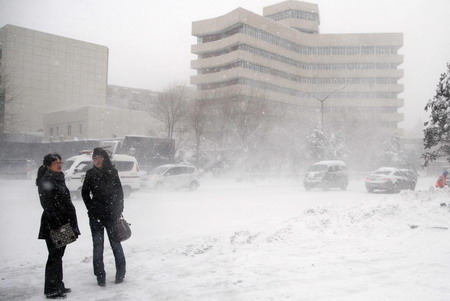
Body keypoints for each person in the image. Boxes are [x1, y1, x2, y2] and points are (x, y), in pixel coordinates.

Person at [36, 153, 80, 299]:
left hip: (62, 221)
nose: (60, 164)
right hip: (53, 224)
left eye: (60, 162)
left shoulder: (58, 178)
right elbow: (47, 205)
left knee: (58, 255)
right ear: (49, 166)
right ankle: (51, 289)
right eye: (56, 163)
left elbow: (66, 201)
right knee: (54, 256)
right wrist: (58, 224)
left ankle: (58, 285)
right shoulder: (46, 180)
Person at [81, 147, 126, 286]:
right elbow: (84, 193)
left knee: (116, 244)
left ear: (105, 159)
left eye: (100, 157)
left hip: (112, 215)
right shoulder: (90, 173)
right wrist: (91, 208)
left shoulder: (112, 172)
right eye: (94, 158)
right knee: (98, 247)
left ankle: (120, 274)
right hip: (96, 217)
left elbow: (119, 192)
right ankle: (100, 277)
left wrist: (118, 210)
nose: (97, 160)